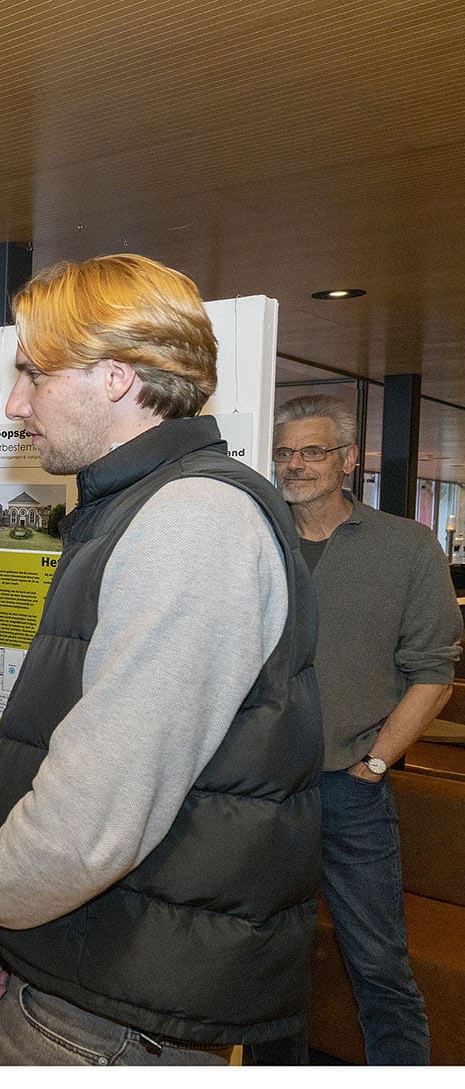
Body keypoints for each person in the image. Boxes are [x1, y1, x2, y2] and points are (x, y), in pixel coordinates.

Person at [0, 254, 323, 1065]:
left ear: (114, 378)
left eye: (33, 374)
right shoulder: (141, 508)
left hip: (106, 1025)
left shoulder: (191, 518)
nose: (15, 401)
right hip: (92, 988)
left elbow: (90, 823)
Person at [253, 394, 461, 1064]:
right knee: (265, 967)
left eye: (312, 451)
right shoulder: (254, 540)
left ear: (347, 459)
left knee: (379, 967)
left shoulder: (405, 547)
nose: (295, 465)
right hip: (259, 793)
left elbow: (433, 671)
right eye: (285, 452)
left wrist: (374, 762)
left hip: (351, 793)